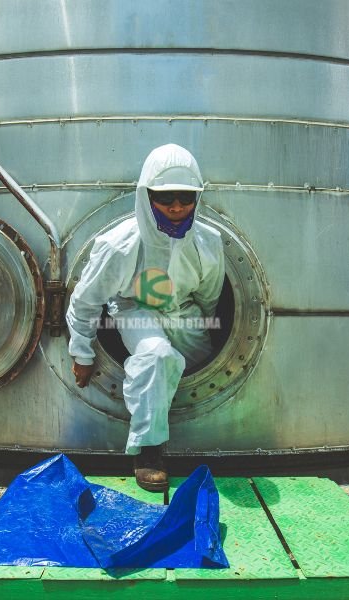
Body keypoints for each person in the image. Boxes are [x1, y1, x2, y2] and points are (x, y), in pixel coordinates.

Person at [66, 144, 225, 491]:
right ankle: (149, 449)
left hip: (183, 310)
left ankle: (188, 436)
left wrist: (203, 326)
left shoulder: (208, 242)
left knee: (198, 364)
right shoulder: (119, 244)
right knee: (157, 356)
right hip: (135, 309)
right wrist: (82, 353)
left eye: (185, 198)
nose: (176, 207)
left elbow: (210, 296)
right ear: (146, 195)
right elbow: (85, 300)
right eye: (165, 198)